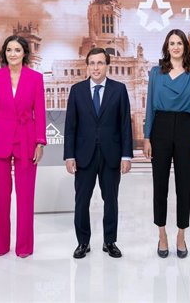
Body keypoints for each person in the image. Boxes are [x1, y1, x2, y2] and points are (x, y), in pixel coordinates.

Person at [0, 35, 46, 258]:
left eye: (17, 50)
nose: (13, 54)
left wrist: (40, 142)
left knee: (25, 196)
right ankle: (0, 245)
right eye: (9, 50)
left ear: (24, 53)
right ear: (4, 53)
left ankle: (24, 247)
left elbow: (40, 112)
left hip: (27, 140)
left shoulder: (35, 78)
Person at [64, 47, 133, 259]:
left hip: (111, 155)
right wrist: (69, 155)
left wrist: (126, 155)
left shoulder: (119, 90)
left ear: (107, 65)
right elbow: (70, 126)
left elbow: (124, 125)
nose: (96, 67)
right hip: (84, 155)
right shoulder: (76, 91)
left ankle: (109, 241)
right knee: (81, 201)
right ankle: (83, 242)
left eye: (100, 63)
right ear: (87, 66)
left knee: (111, 200)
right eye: (92, 63)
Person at [144, 29, 190, 259]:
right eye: (172, 43)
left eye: (179, 43)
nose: (176, 47)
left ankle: (181, 234)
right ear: (166, 47)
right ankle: (162, 234)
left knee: (184, 187)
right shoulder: (155, 73)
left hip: (185, 130)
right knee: (160, 185)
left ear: (185, 47)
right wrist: (147, 137)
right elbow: (149, 106)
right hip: (159, 127)